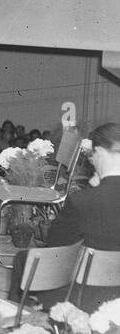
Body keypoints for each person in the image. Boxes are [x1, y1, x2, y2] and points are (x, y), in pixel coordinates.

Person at [9, 123, 120, 310]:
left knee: (23, 260)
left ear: (100, 152)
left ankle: (23, 325)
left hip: (84, 295)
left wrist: (93, 189)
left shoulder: (83, 201)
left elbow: (55, 247)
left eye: (91, 157)